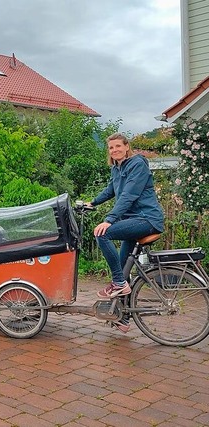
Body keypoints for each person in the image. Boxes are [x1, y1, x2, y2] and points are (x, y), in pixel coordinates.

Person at [87, 133, 164, 333]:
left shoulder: (137, 165)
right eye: (111, 148)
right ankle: (123, 317)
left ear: (126, 146)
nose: (114, 150)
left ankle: (119, 283)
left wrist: (109, 219)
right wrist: (92, 203)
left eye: (118, 146)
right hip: (133, 221)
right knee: (122, 267)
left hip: (146, 219)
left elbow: (129, 194)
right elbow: (111, 190)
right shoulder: (117, 168)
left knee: (101, 234)